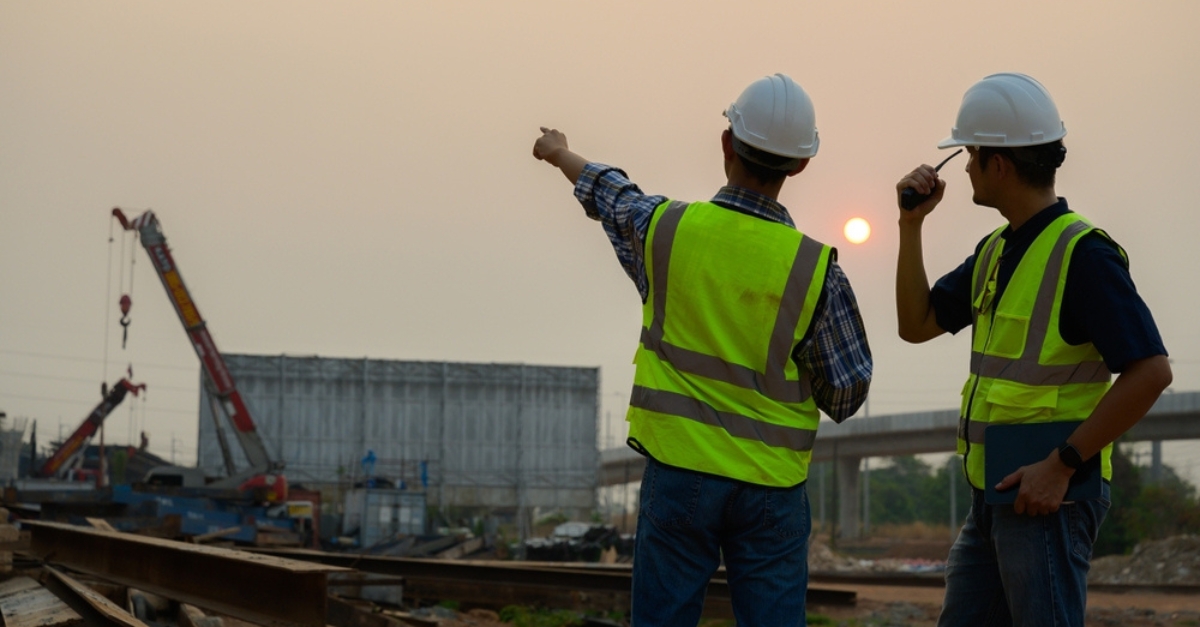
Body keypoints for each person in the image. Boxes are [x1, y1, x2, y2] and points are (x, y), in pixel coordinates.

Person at [532, 73, 872, 626]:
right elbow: (847, 391)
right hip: (771, 487)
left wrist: (560, 153)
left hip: (680, 473)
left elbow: (613, 196)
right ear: (801, 165)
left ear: (726, 145)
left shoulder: (667, 230)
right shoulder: (815, 269)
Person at [894, 73, 1172, 626]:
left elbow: (1151, 372)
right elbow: (916, 324)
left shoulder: (1084, 255)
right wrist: (909, 225)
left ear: (999, 165)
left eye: (971, 153)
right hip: (992, 495)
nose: (966, 166)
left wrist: (1062, 465)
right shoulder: (997, 251)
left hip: (1049, 501)